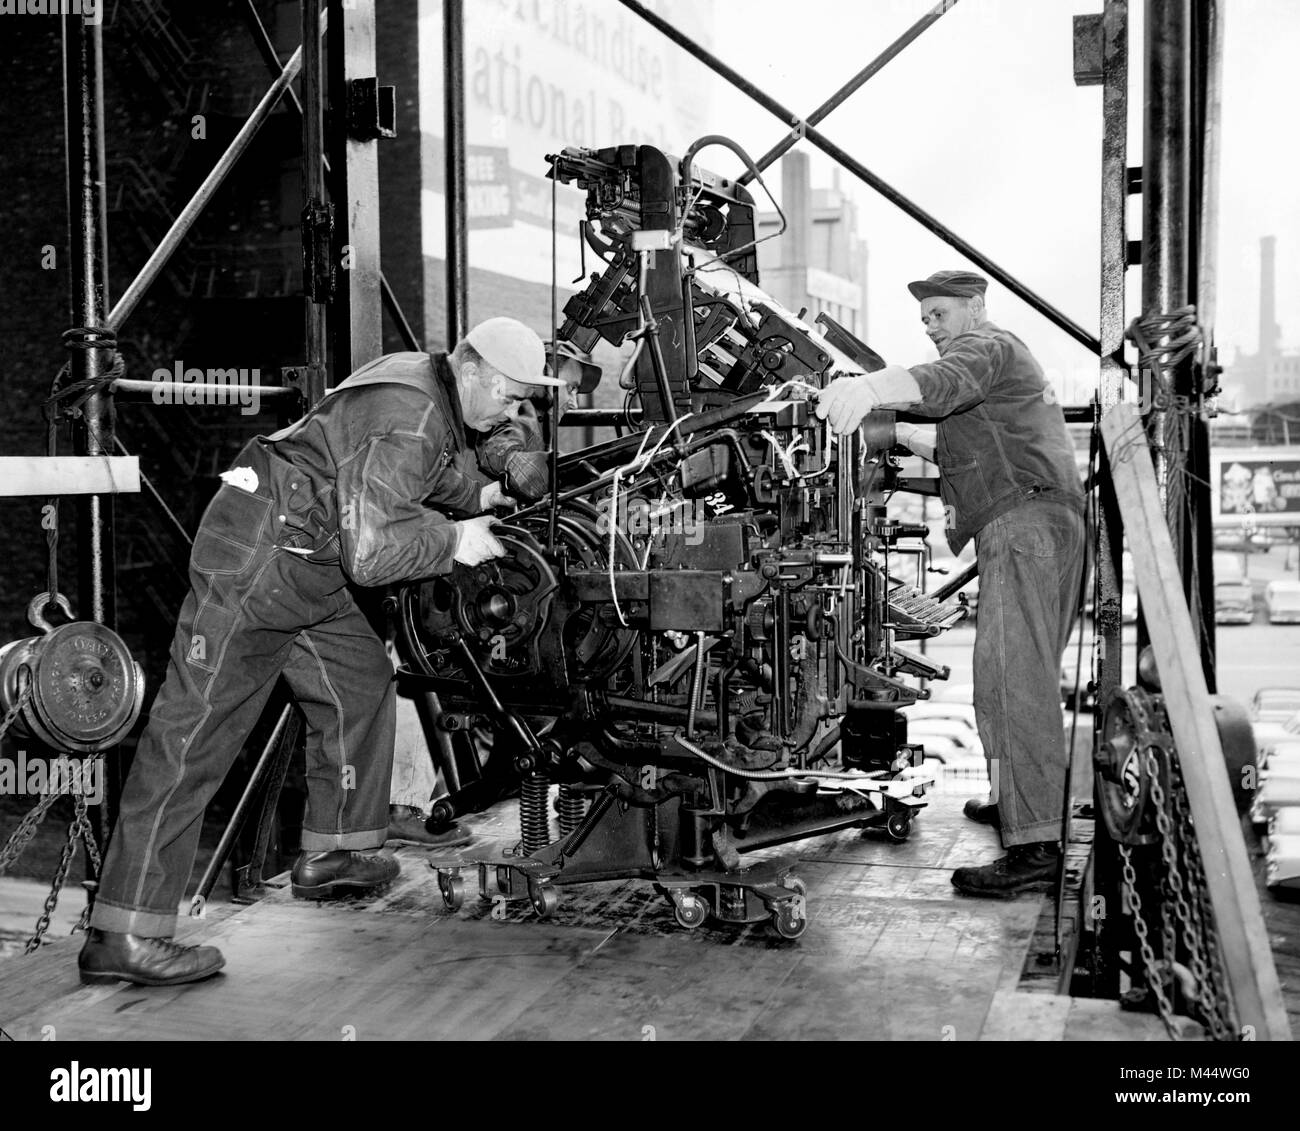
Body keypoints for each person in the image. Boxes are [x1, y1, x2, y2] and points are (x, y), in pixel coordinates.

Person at [78, 317, 567, 986]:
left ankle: (338, 849)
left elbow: (399, 471)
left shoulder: (425, 384)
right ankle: (125, 931)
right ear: (475, 370)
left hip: (302, 560)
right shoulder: (414, 410)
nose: (512, 413)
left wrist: (486, 488)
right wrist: (457, 539)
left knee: (361, 679)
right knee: (192, 738)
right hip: (259, 564)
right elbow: (371, 552)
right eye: (510, 398)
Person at [816, 270, 1086, 898]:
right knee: (1015, 680)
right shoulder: (999, 372)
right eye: (924, 319)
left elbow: (941, 384)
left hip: (1025, 527)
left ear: (975, 307)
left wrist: (870, 389)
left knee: (1009, 680)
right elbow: (966, 443)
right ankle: (1020, 803)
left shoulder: (988, 346)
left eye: (938, 314)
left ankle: (1038, 845)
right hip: (1041, 525)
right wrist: (901, 433)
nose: (930, 327)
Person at [384, 338, 598, 845]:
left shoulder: (526, 414)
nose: (571, 395)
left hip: (466, 561)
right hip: (446, 560)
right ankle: (399, 803)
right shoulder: (518, 414)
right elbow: (501, 443)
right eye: (568, 383)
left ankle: (451, 785)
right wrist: (516, 465)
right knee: (410, 667)